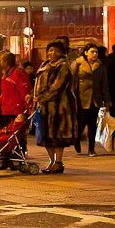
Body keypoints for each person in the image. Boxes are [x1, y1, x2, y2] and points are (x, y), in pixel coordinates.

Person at [34, 40, 77, 174]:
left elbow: (57, 87)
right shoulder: (45, 65)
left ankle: (58, 162)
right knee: (46, 135)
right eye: (50, 50)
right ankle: (51, 161)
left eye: (56, 51)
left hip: (59, 108)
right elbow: (38, 83)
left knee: (58, 136)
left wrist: (41, 97)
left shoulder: (63, 66)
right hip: (44, 107)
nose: (52, 53)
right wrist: (32, 95)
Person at [71, 43, 110, 156]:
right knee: (82, 123)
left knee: (93, 124)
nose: (94, 54)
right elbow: (71, 76)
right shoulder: (79, 64)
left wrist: (107, 100)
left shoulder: (100, 66)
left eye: (96, 52)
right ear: (86, 52)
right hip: (81, 98)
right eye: (92, 52)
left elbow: (104, 85)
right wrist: (76, 63)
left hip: (95, 99)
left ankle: (91, 149)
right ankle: (76, 139)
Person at [0, 52, 31, 151]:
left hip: (16, 109)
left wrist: (27, 108)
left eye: (1, 60)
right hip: (7, 109)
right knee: (7, 135)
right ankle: (7, 155)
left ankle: (19, 154)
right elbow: (5, 93)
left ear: (6, 62)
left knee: (17, 134)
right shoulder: (6, 74)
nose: (0, 63)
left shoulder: (17, 73)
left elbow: (24, 91)